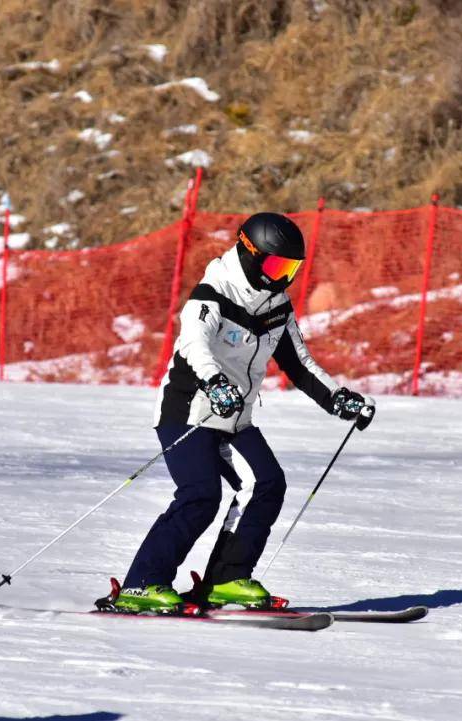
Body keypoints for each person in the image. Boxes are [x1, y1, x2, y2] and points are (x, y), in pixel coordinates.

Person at [112, 212, 375, 614]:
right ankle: (142, 584)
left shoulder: (277, 306)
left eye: (291, 268)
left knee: (267, 483)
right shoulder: (212, 293)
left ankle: (227, 579)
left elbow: (300, 364)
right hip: (188, 410)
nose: (282, 276)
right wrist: (214, 383)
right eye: (275, 266)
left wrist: (339, 399)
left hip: (235, 416)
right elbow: (193, 346)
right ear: (250, 254)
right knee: (201, 495)